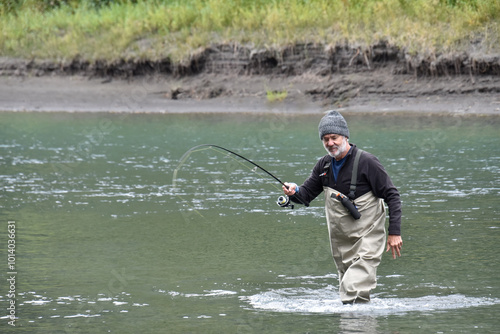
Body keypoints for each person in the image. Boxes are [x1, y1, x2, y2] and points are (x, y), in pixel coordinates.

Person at [282, 110, 403, 304]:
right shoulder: (323, 166)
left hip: (367, 238)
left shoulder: (367, 162)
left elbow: (393, 196)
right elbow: (305, 196)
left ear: (346, 136)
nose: (330, 143)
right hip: (341, 243)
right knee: (350, 295)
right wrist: (293, 191)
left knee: (352, 289)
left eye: (334, 138)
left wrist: (394, 232)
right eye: (325, 139)